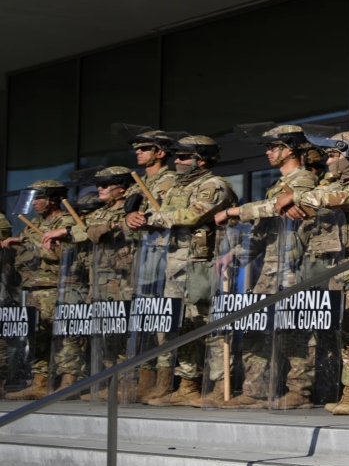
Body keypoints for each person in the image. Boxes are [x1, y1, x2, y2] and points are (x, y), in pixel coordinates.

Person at [206, 125, 320, 409]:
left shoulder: (305, 178)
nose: (268, 152)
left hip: (295, 266)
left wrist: (235, 211)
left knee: (296, 330)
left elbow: (273, 208)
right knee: (257, 329)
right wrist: (235, 254)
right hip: (269, 270)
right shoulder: (276, 185)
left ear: (291, 148)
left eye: (273, 147)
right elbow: (263, 229)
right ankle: (256, 390)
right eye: (268, 148)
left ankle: (298, 392)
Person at [128, 136, 236, 407]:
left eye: (184, 156)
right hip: (172, 263)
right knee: (178, 325)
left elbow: (193, 215)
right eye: (176, 156)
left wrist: (153, 218)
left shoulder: (213, 185)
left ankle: (219, 386)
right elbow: (159, 217)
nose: (177, 161)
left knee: (208, 324)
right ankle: (187, 384)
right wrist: (137, 218)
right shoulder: (175, 187)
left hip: (203, 263)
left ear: (202, 158)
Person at [277, 130, 349, 415]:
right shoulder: (329, 183)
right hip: (337, 264)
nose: (328, 160)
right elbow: (320, 197)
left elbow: (341, 196)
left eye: (334, 154)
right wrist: (302, 202)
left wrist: (299, 197)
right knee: (346, 331)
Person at [43, 167, 137, 401]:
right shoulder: (101, 213)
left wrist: (71, 230)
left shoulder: (133, 207)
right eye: (99, 185)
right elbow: (84, 229)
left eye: (105, 185)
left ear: (122, 187)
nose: (100, 189)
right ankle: (110, 381)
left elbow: (96, 231)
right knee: (105, 337)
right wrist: (66, 232)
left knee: (123, 334)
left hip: (124, 280)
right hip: (99, 282)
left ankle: (127, 383)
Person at [1, 180, 75, 400]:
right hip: (34, 287)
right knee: (38, 336)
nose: (34, 203)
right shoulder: (34, 223)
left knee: (65, 335)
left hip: (58, 286)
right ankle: (41, 382)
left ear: (53, 199)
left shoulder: (66, 221)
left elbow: (60, 253)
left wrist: (28, 242)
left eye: (39, 198)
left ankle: (69, 380)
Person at [121, 128, 180, 403]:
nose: (138, 153)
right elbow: (127, 218)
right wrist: (129, 218)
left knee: (163, 320)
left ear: (160, 152)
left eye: (144, 149)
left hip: (168, 255)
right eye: (137, 149)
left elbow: (175, 215)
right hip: (144, 257)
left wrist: (148, 217)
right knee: (145, 317)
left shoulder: (173, 180)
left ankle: (165, 379)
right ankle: (144, 376)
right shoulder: (136, 184)